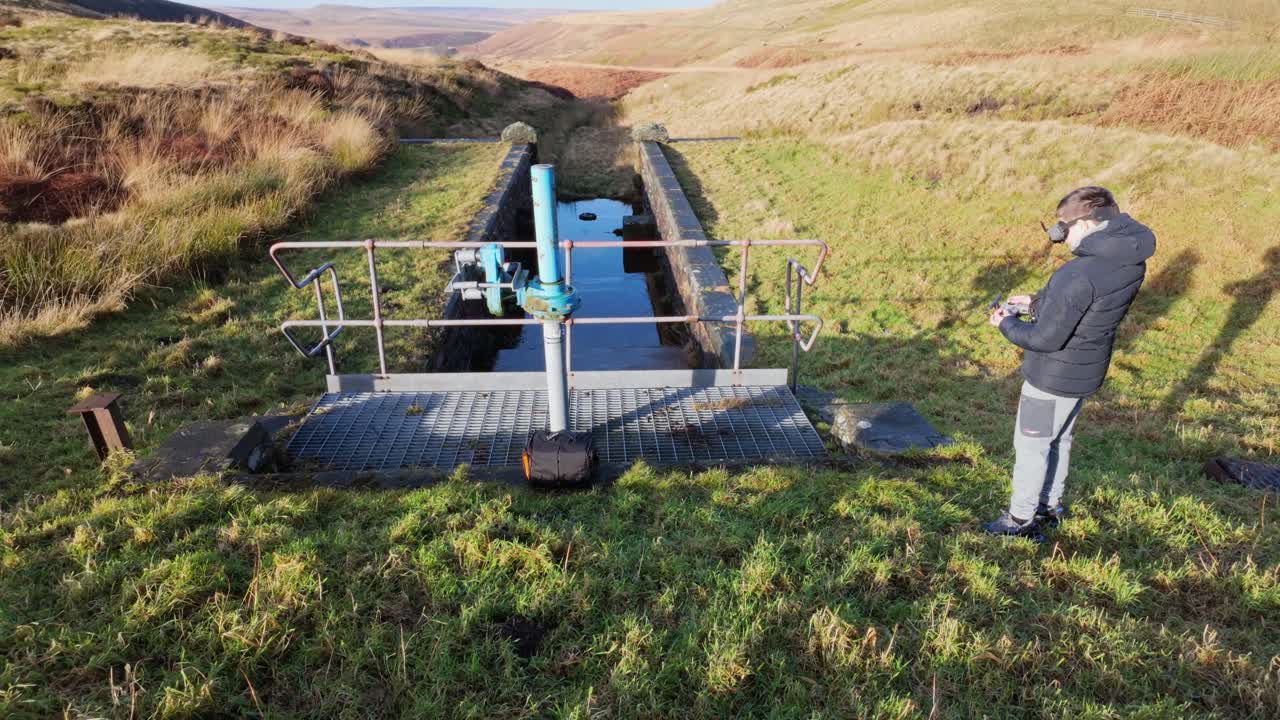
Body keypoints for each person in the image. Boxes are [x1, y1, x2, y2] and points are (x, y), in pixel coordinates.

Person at [983, 186, 1156, 540]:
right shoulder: (1129, 258)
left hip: (1051, 376)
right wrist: (1035, 303)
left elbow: (1046, 338)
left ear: (1090, 223)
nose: (1061, 237)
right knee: (1059, 439)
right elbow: (1084, 310)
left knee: (1032, 445)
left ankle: (1019, 520)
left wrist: (1006, 322)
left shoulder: (1079, 274)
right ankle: (1049, 506)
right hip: (1085, 369)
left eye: (1066, 227)